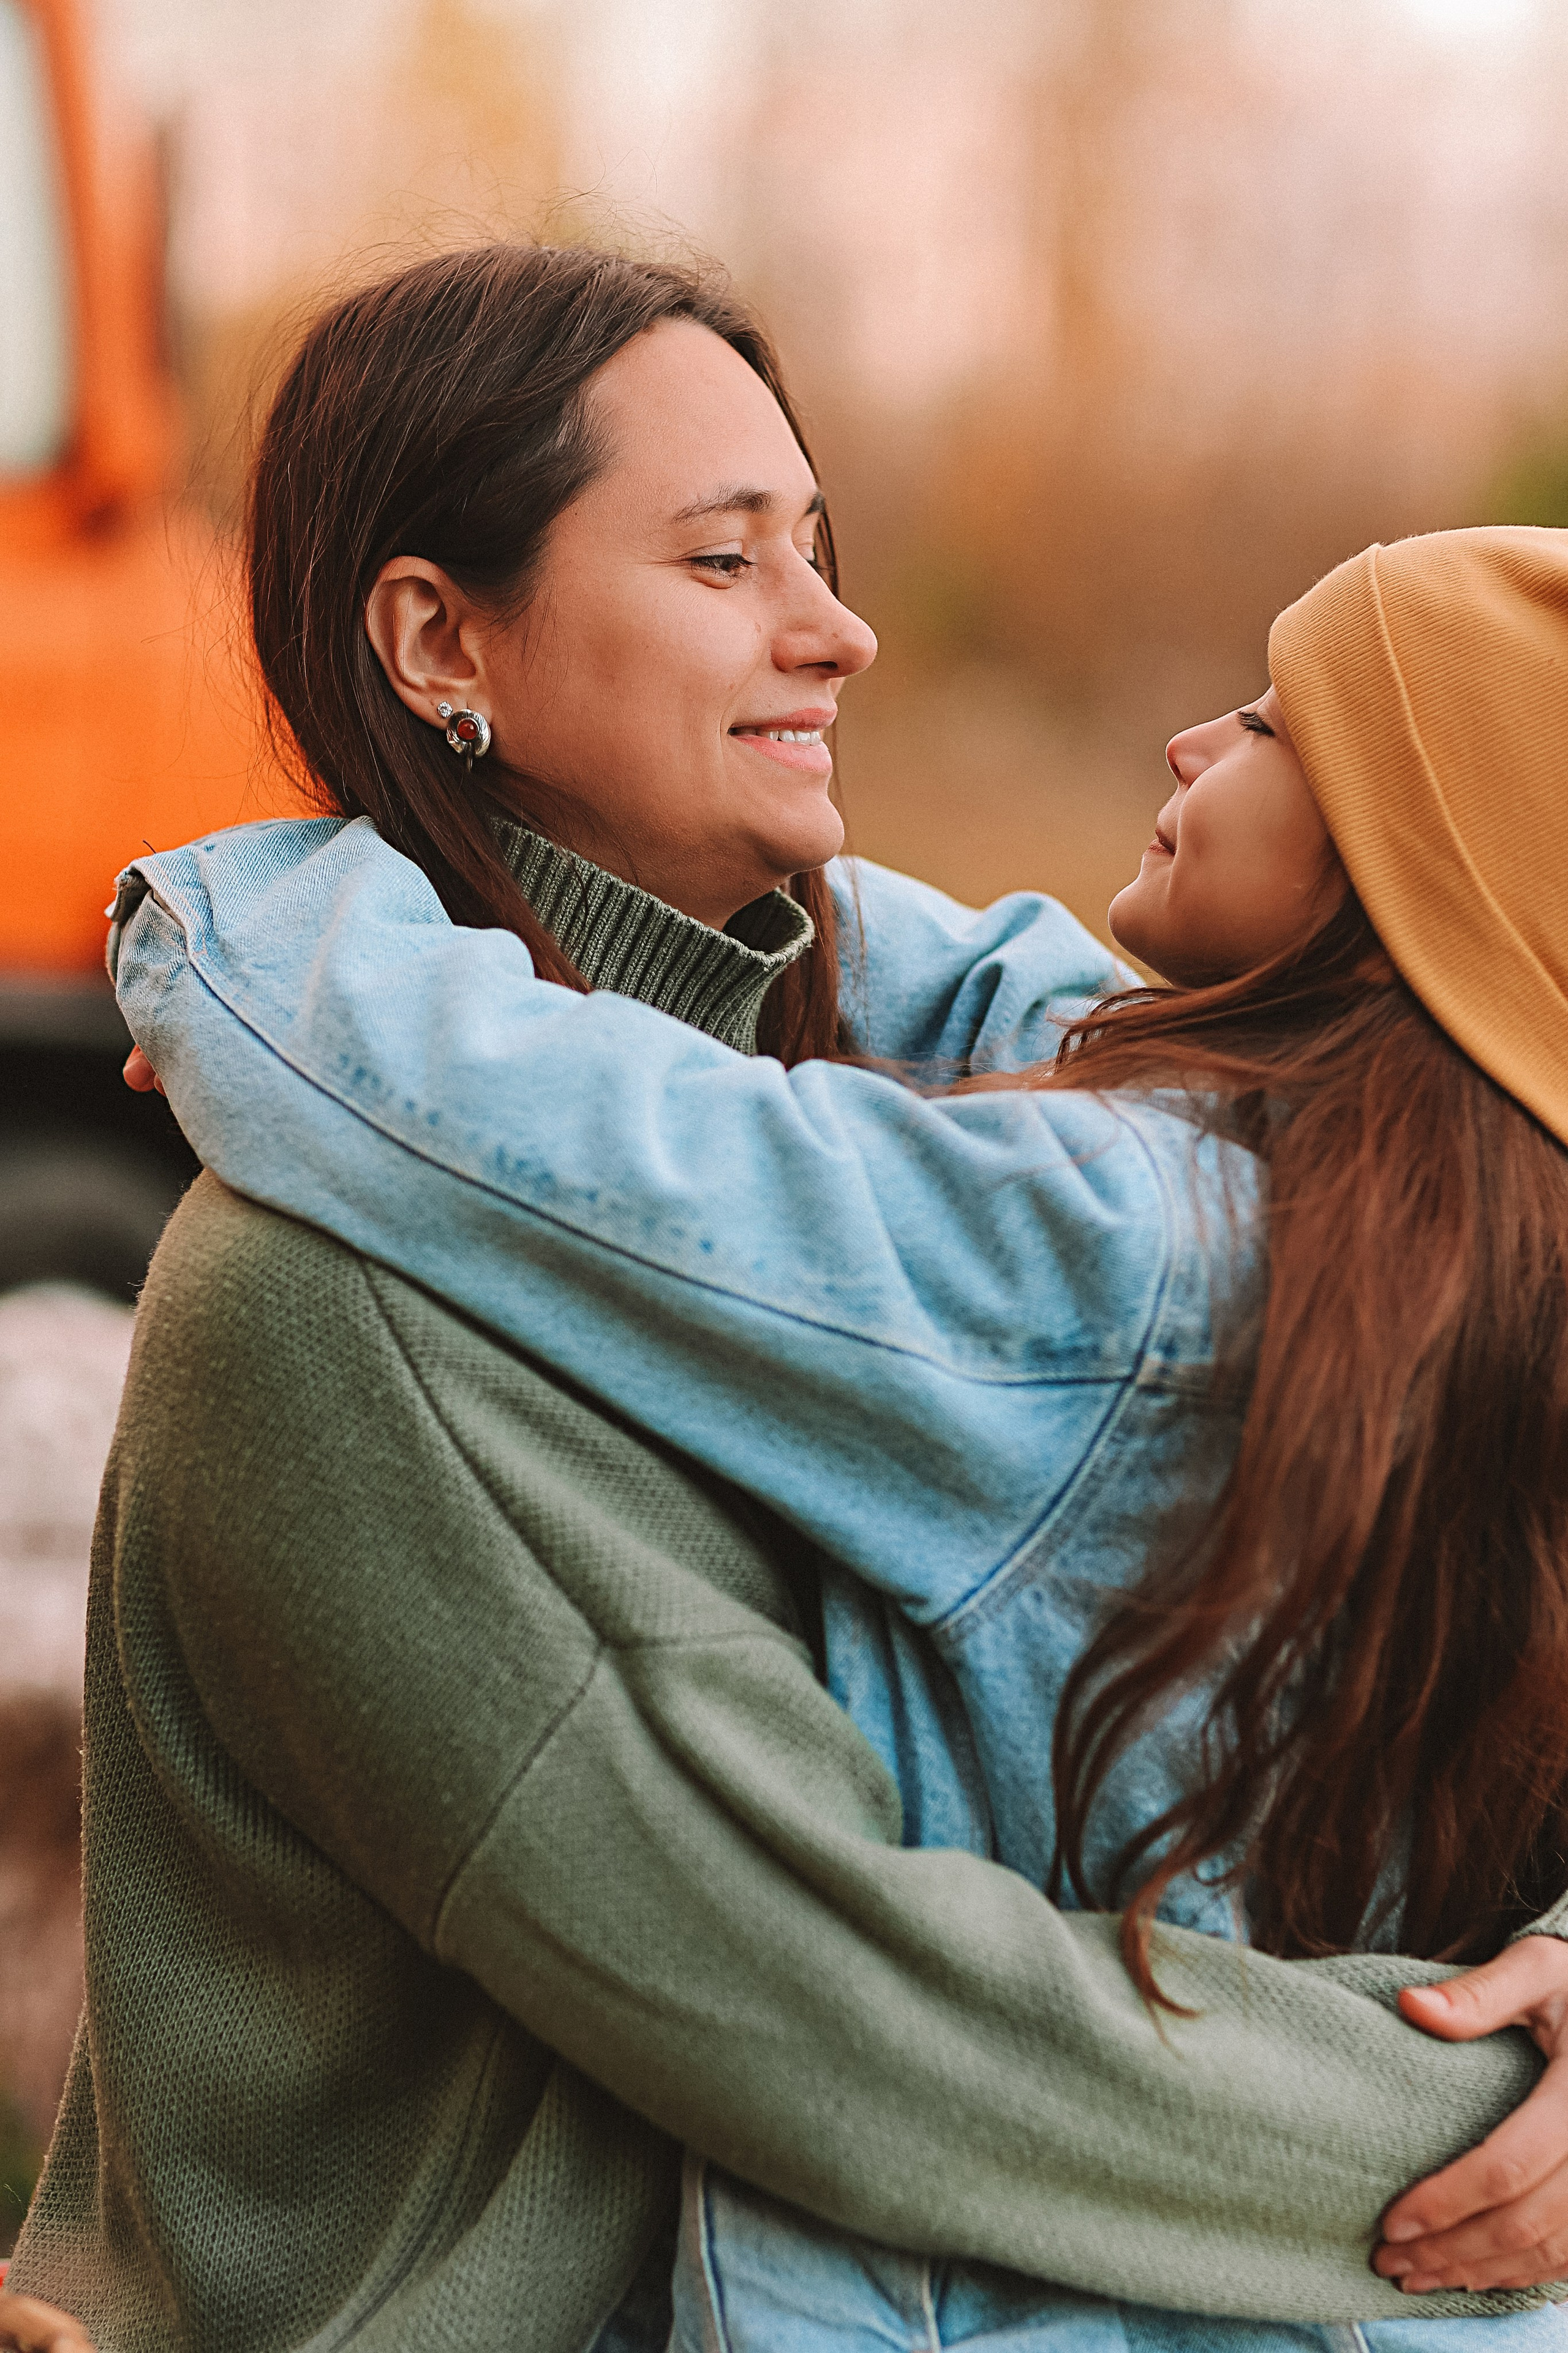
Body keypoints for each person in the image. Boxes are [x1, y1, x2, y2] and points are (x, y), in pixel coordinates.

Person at [15, 240, 1568, 2346]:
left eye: (817, 548)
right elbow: (855, 2023)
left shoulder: (902, 1157)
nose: (839, 627)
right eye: (725, 557)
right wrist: (1471, 2121)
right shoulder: (348, 1299)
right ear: (441, 638)